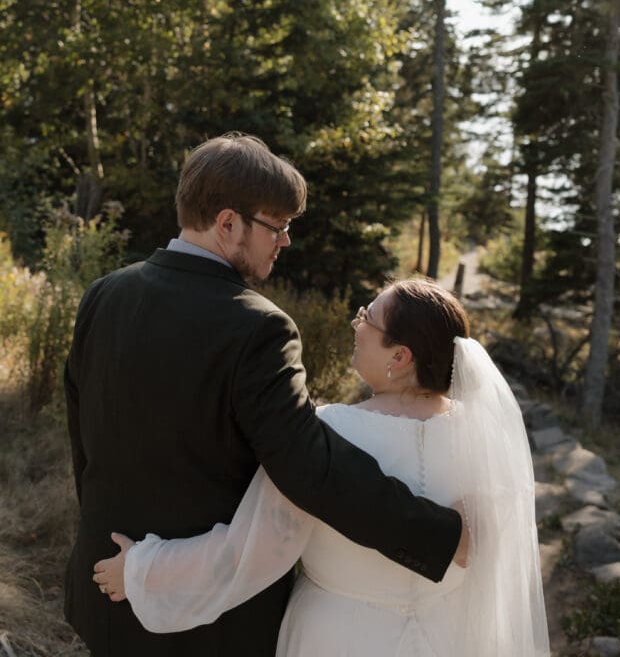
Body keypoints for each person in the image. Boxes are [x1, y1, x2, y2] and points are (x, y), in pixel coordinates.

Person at [64, 134, 465, 657]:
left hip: (102, 592)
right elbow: (309, 469)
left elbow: (83, 442)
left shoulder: (104, 293)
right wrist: (440, 535)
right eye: (277, 226)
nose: (287, 241)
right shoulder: (258, 327)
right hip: (209, 626)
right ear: (228, 223)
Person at [93, 279, 550, 657]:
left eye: (367, 317)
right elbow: (491, 553)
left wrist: (142, 570)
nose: (356, 325)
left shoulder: (329, 431)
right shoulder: (484, 438)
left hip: (338, 637)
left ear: (400, 357)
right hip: (452, 638)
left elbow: (251, 548)